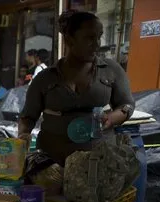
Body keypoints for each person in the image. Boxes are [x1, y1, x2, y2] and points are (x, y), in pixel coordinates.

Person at [18, 10, 134, 166]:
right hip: (53, 162)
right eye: (89, 38)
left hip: (99, 160)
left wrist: (112, 118)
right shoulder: (45, 78)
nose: (97, 44)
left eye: (99, 37)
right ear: (69, 40)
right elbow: (28, 116)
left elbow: (127, 104)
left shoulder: (110, 70)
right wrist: (23, 135)